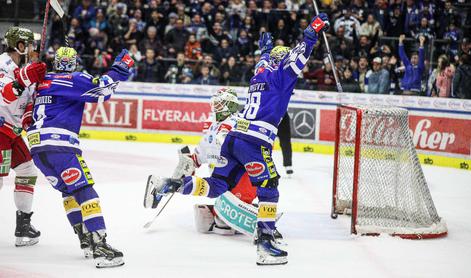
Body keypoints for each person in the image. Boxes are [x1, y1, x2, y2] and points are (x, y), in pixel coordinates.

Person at [145, 13, 330, 265]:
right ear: (282, 60)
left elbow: (264, 59)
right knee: (269, 187)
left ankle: (169, 184)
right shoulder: (282, 74)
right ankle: (265, 243)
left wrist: (265, 49)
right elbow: (299, 54)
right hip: (255, 141)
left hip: (234, 138)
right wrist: (313, 31)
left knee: (218, 185)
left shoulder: (260, 73)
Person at [26, 47, 134, 268]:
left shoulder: (41, 82)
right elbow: (103, 89)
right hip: (61, 147)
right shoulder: (72, 79)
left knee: (69, 192)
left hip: (38, 149)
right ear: (73, 62)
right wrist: (120, 69)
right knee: (85, 190)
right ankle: (100, 246)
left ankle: (85, 240)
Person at [145, 88, 262, 237]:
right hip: (221, 177)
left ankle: (252, 210)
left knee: (223, 226)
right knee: (203, 223)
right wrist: (189, 165)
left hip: (243, 178)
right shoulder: (213, 127)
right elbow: (198, 156)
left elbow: (250, 149)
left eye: (220, 103)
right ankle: (170, 185)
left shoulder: (239, 123)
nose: (216, 106)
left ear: (230, 105)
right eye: (216, 102)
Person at [0, 27, 46, 247]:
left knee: (27, 170)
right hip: (0, 131)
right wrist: (26, 79)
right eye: (28, 44)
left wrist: (29, 116)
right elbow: (8, 94)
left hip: (13, 132)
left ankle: (23, 226)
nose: (31, 49)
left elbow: (26, 101)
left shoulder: (23, 68)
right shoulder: (2, 64)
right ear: (19, 45)